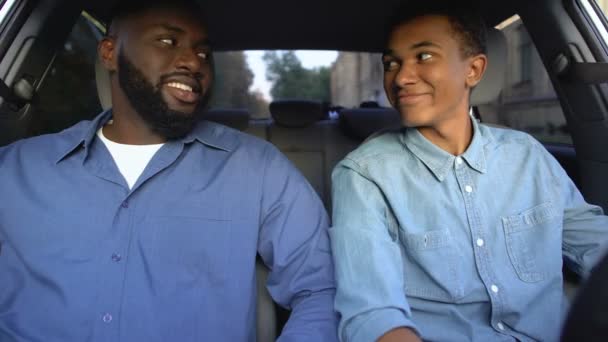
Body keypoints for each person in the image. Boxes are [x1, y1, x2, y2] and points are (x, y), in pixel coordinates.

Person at [0, 0, 338, 340]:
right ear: (109, 52)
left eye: (204, 53)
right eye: (167, 41)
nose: (194, 62)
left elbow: (322, 288)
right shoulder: (15, 170)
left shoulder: (257, 169)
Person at [329, 1, 608, 341]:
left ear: (474, 70)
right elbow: (373, 316)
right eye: (391, 63)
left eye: (424, 56)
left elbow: (597, 245)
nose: (400, 77)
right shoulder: (364, 174)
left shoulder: (529, 156)